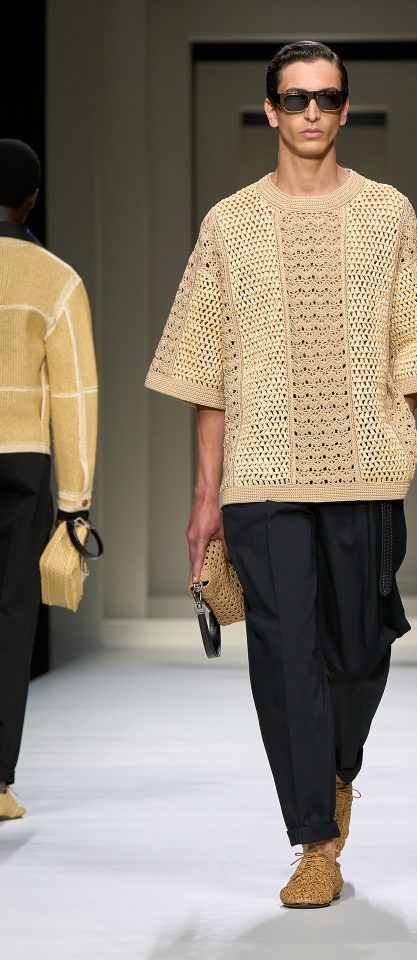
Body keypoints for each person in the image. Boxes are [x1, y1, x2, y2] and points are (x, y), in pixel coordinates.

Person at [146, 41, 417, 907]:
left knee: (357, 654)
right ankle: (315, 841)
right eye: (296, 98)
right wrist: (206, 500)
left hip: (366, 475)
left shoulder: (388, 212)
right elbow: (208, 374)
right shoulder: (229, 224)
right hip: (262, 476)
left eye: (326, 98)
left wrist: (391, 419)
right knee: (284, 654)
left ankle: (337, 773)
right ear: (271, 110)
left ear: (345, 109)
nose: (312, 112)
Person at [0, 139, 98, 820]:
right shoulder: (56, 280)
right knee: (12, 618)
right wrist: (76, 503)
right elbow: (75, 395)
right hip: (24, 464)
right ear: (32, 199)